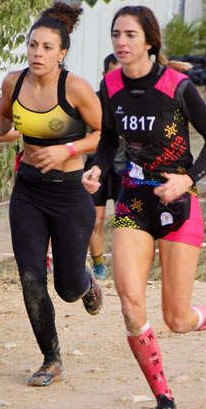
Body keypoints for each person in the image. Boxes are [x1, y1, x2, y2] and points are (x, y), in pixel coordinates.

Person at [82, 5, 206, 409]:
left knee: (176, 318)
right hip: (135, 203)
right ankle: (164, 401)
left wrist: (188, 179)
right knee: (130, 303)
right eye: (116, 34)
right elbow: (109, 140)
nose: (121, 42)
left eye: (130, 35)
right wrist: (98, 168)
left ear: (149, 42)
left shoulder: (177, 85)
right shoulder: (110, 85)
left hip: (177, 204)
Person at [0, 2, 104, 387]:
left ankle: (84, 282)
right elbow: (3, 116)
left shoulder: (76, 89)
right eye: (34, 45)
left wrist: (67, 151)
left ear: (62, 53)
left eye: (47, 47)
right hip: (29, 192)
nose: (38, 53)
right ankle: (51, 358)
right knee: (31, 277)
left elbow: (104, 134)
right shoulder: (13, 82)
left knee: (66, 287)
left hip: (69, 195)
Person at [86, 53, 123, 280]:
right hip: (97, 165)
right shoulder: (92, 101)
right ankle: (99, 265)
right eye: (112, 74)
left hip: (125, 167)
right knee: (95, 220)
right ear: (104, 75)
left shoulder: (133, 100)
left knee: (125, 223)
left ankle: (125, 266)